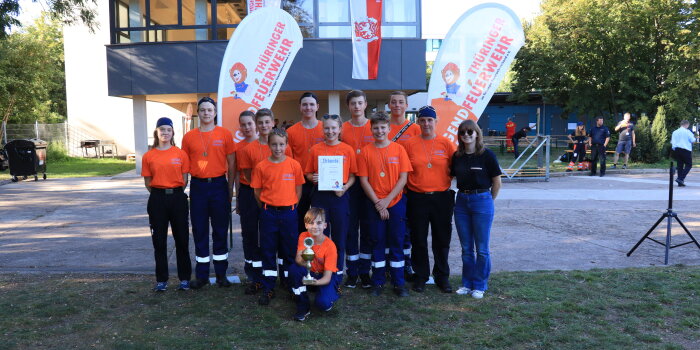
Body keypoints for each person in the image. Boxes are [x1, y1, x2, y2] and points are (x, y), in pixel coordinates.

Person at [181, 97, 236, 289]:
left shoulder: (225, 134)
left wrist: (230, 188)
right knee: (200, 230)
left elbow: (231, 162)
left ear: (215, 112)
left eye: (209, 110)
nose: (206, 113)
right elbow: (184, 165)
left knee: (220, 230)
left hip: (219, 185)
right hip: (198, 186)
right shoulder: (188, 137)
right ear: (198, 112)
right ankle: (202, 275)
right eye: (203, 110)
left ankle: (221, 274)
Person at [357, 111, 413, 297]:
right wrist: (378, 203)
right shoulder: (365, 151)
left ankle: (398, 282)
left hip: (395, 202)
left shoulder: (399, 150)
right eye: (376, 128)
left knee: (397, 241)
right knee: (377, 242)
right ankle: (378, 281)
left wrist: (387, 201)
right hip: (374, 204)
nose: (379, 131)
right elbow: (364, 181)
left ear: (389, 128)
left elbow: (403, 178)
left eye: (383, 127)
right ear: (371, 129)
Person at [238, 109, 293, 295]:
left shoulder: (283, 145)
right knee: (252, 236)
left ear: (273, 123)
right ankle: (256, 278)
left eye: (267, 122)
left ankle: (284, 278)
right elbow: (247, 175)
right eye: (260, 122)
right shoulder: (248, 149)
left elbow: (289, 170)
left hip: (276, 199)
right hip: (252, 195)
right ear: (256, 124)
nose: (263, 126)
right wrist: (260, 198)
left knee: (276, 239)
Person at [403, 106, 456, 293]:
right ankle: (421, 276)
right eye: (423, 120)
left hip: (442, 197)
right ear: (418, 122)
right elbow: (403, 172)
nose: (426, 123)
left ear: (436, 121)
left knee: (442, 240)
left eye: (430, 120)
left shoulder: (446, 143)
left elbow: (457, 167)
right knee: (418, 239)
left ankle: (442, 276)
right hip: (417, 197)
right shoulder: (409, 144)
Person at [250, 128, 304, 305]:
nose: (278, 148)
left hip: (289, 213)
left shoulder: (294, 165)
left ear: (287, 145)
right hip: (269, 213)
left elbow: (298, 189)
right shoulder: (261, 166)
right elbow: (257, 192)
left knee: (289, 251)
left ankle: (289, 285)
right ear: (268, 144)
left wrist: (291, 205)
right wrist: (267, 208)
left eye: (281, 144)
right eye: (274, 144)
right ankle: (268, 287)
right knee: (268, 250)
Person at [451, 119, 502, 299]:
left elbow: (497, 182)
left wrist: (488, 200)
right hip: (462, 202)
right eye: (462, 132)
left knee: (481, 248)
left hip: (482, 200)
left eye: (470, 132)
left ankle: (480, 284)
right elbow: (450, 178)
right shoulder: (456, 156)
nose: (466, 135)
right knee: (466, 248)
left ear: (477, 134)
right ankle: (467, 283)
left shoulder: (487, 155)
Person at [141, 117, 192, 292]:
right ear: (156, 132)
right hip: (157, 200)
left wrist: (173, 193)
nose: (165, 132)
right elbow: (148, 182)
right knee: (159, 241)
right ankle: (161, 280)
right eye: (161, 129)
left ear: (172, 132)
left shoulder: (180, 154)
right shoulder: (149, 156)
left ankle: (184, 279)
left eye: (168, 129)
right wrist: (160, 194)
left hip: (177, 199)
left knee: (182, 240)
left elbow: (184, 180)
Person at [305, 114, 357, 279]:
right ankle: (319, 273)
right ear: (322, 129)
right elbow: (308, 173)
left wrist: (345, 187)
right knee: (320, 237)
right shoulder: (315, 149)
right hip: (320, 197)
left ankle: (337, 275)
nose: (330, 131)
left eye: (334, 128)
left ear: (340, 129)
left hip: (339, 197)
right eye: (327, 128)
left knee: (340, 237)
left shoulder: (347, 149)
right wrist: (312, 178)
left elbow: (353, 175)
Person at [340, 90, 374, 289]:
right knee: (351, 231)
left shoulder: (375, 127)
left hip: (370, 186)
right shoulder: (342, 129)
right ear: (348, 106)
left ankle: (365, 272)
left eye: (360, 103)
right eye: (353, 103)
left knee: (368, 230)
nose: (356, 107)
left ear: (365, 104)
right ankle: (352, 272)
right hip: (350, 186)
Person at [386, 90, 421, 280]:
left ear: (406, 105)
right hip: (384, 188)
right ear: (389, 105)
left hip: (408, 187)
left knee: (405, 230)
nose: (397, 105)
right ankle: (385, 264)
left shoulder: (415, 129)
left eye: (400, 102)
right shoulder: (382, 127)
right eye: (393, 102)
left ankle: (406, 264)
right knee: (385, 230)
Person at [288, 207, 340, 322]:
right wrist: (306, 259)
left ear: (325, 226)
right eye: (311, 223)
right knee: (294, 270)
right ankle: (303, 306)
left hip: (324, 276)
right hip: (310, 272)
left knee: (323, 304)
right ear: (306, 225)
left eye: (319, 223)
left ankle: (333, 290)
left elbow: (326, 278)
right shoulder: (304, 236)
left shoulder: (330, 246)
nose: (315, 226)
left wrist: (314, 282)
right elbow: (298, 259)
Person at [287, 92, 325, 234]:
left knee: (319, 219)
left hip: (321, 181)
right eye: (305, 104)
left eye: (311, 104)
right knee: (300, 217)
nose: (308, 107)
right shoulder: (291, 132)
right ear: (300, 107)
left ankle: (319, 249)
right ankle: (301, 248)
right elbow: (288, 160)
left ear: (317, 107)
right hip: (299, 182)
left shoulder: (325, 129)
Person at [234, 110, 262, 294]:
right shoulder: (240, 148)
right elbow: (238, 175)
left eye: (249, 124)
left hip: (267, 193)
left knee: (266, 234)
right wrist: (238, 198)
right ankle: (252, 274)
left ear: (256, 124)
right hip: (247, 193)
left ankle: (268, 273)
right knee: (249, 234)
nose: (246, 128)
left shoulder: (268, 144)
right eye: (243, 125)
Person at [671, 120, 695, 187]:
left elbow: (673, 142)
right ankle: (680, 178)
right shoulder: (687, 132)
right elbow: (693, 140)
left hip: (677, 150)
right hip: (686, 150)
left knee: (680, 166)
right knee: (689, 165)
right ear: (686, 124)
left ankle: (680, 183)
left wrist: (674, 149)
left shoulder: (675, 132)